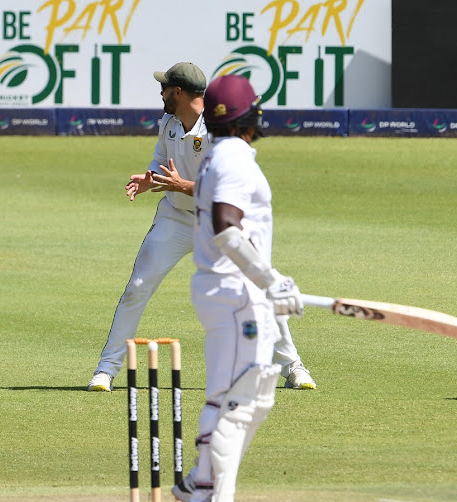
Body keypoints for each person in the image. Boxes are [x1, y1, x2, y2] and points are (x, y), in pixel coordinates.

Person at [87, 62, 314, 392]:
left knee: (257, 290)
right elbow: (161, 163)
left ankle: (292, 366)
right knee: (137, 287)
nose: (160, 92)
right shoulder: (169, 121)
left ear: (178, 92)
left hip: (219, 223)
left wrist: (183, 185)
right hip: (175, 219)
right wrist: (151, 180)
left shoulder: (219, 131)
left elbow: (224, 189)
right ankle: (106, 370)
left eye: (165, 87)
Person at [176, 74, 303, 502]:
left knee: (253, 397)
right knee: (237, 402)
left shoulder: (218, 155)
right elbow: (228, 228)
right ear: (252, 115)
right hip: (235, 294)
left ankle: (199, 486)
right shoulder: (232, 160)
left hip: (229, 292)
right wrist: (272, 281)